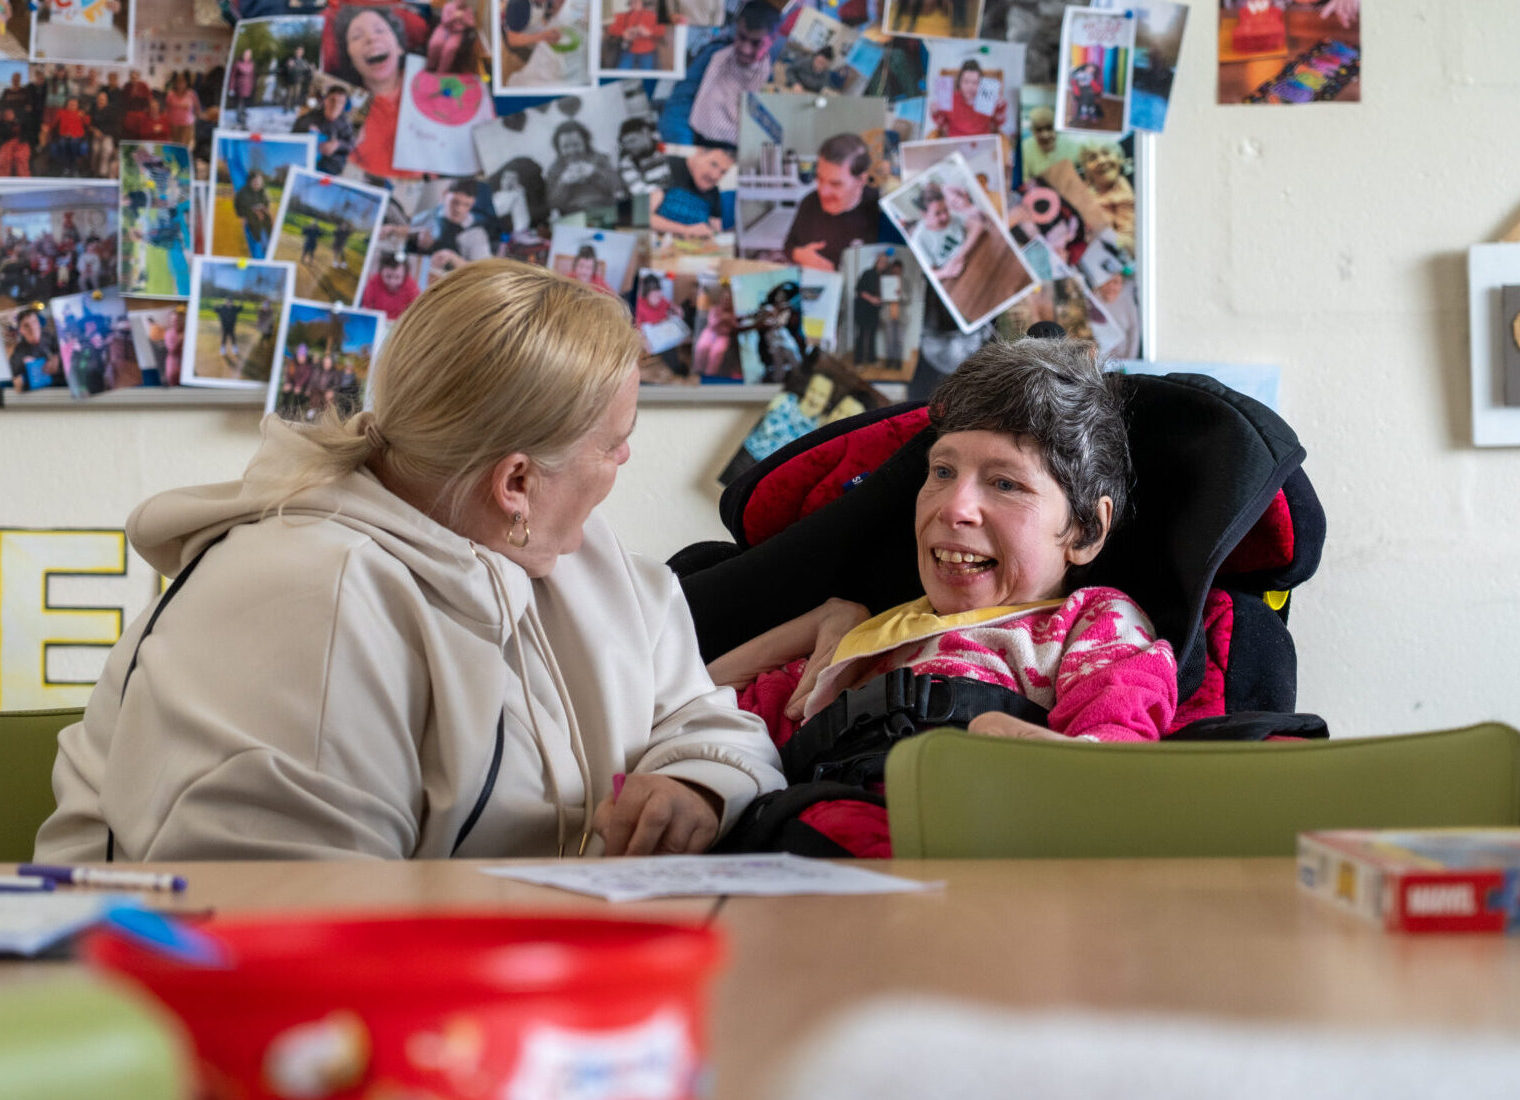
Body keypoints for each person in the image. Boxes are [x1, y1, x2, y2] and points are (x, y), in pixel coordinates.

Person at [35, 260, 786, 862]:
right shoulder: (310, 599)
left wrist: (696, 784)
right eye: (613, 440)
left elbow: (703, 716)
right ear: (516, 481)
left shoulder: (585, 560)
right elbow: (283, 921)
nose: (626, 457)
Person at [709, 337, 1176, 767]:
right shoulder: (875, 637)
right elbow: (689, 710)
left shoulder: (1089, 624)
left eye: (1005, 483)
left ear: (1085, 531)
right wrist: (819, 623)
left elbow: (1117, 735)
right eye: (943, 472)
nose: (954, 508)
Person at [659, 0, 779, 146]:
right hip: (698, 144)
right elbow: (680, 104)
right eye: (741, 37)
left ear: (772, 40)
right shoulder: (715, 55)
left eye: (756, 43)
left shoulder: (776, 76)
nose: (745, 49)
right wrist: (684, 151)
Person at [335, 5, 415, 179]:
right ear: (350, 59)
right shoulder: (341, 109)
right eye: (357, 36)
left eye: (380, 30)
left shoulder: (431, 88)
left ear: (399, 46)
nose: (371, 38)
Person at [782, 132, 880, 272]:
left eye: (835, 184)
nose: (823, 191)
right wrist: (799, 255)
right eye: (820, 179)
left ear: (861, 181)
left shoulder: (879, 211)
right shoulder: (809, 203)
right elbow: (789, 244)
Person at [648, 143, 732, 239]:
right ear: (699, 152)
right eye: (713, 164)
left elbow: (717, 232)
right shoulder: (668, 165)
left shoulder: (714, 192)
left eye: (723, 172)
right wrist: (686, 230)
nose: (715, 176)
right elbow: (645, 218)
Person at [544, 119, 624, 218]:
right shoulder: (554, 169)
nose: (572, 151)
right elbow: (553, 204)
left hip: (605, 209)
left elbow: (617, 188)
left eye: (576, 145)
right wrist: (563, 183)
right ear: (558, 148)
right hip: (574, 216)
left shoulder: (600, 159)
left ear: (585, 143)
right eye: (565, 147)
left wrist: (595, 173)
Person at [911, 181, 984, 283]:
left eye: (945, 210)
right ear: (924, 214)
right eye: (937, 214)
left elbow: (978, 226)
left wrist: (959, 256)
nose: (945, 216)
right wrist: (945, 272)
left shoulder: (951, 214)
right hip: (953, 279)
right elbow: (930, 273)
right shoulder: (918, 239)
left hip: (972, 257)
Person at [1077, 141, 1134, 254]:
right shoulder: (1082, 187)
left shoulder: (1124, 195)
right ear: (1086, 169)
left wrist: (1107, 239)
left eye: (1106, 153)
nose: (1101, 161)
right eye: (1092, 158)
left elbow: (1129, 243)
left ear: (1119, 159)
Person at [931, 59, 1007, 138]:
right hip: (956, 142)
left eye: (975, 82)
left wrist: (1000, 108)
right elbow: (942, 124)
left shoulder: (989, 99)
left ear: (981, 84)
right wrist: (935, 113)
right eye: (966, 82)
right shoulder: (950, 99)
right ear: (959, 83)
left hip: (982, 142)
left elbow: (998, 124)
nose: (970, 87)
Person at [293, 85, 356, 175]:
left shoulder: (345, 124)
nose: (336, 105)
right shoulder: (309, 118)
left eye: (341, 102)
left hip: (330, 170)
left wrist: (338, 144)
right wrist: (307, 132)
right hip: (305, 164)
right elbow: (293, 136)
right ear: (325, 101)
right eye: (332, 100)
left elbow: (352, 145)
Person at [1019, 105, 1080, 183]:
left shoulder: (1071, 147)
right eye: (1039, 129)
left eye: (1049, 128)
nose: (1045, 135)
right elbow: (1024, 180)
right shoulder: (1024, 148)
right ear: (1032, 131)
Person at [361, 250, 421, 319]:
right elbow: (366, 308)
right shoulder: (374, 282)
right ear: (381, 273)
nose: (392, 282)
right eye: (388, 276)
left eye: (397, 277)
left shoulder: (412, 287)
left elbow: (416, 311)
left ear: (405, 275)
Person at [853, 250, 888, 364]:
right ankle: (858, 361)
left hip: (875, 310)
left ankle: (872, 360)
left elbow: (885, 293)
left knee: (873, 335)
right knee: (862, 335)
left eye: (885, 262)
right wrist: (872, 299)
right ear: (877, 261)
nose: (883, 264)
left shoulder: (884, 277)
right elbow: (859, 290)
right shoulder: (867, 273)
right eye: (882, 261)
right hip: (863, 309)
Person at [609, 0, 663, 71]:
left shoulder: (652, 16)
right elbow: (611, 29)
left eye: (637, 2)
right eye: (632, 2)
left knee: (648, 76)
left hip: (646, 51)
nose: (634, 4)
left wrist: (649, 32)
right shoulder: (621, 16)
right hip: (628, 50)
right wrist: (623, 32)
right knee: (621, 72)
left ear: (642, 3)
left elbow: (661, 31)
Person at [428, 0, 479, 73]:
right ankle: (431, 67)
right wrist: (454, 16)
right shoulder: (448, 6)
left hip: (457, 33)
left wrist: (463, 17)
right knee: (435, 43)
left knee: (450, 48)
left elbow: (472, 24)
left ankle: (441, 71)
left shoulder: (468, 10)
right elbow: (444, 21)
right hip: (444, 29)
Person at [234, 168, 274, 258]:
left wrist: (262, 208)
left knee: (266, 230)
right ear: (250, 182)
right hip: (250, 218)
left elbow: (266, 203)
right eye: (255, 182)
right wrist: (247, 212)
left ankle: (266, 248)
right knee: (255, 234)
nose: (257, 184)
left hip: (262, 218)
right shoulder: (243, 193)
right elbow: (239, 206)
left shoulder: (263, 192)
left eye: (259, 182)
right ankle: (258, 247)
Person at [164, 74, 200, 148]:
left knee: (184, 147)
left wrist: (195, 119)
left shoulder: (191, 94)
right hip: (173, 124)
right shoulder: (170, 94)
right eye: (178, 82)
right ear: (175, 83)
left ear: (186, 83)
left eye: (182, 82)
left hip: (187, 125)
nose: (180, 84)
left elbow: (197, 108)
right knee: (174, 146)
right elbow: (166, 108)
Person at [228, 48, 257, 128]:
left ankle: (243, 118)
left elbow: (252, 76)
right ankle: (240, 120)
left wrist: (253, 86)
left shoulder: (251, 64)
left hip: (248, 87)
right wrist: (231, 88)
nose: (246, 56)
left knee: (245, 104)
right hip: (239, 87)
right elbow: (232, 76)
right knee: (239, 103)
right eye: (245, 54)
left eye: (248, 55)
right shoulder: (237, 64)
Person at [282, 45, 314, 111]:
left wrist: (311, 67)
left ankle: (293, 107)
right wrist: (288, 66)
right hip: (290, 80)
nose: (299, 52)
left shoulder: (304, 61)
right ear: (295, 51)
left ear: (302, 53)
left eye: (301, 51)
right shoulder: (291, 59)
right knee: (289, 95)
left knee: (296, 95)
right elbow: (286, 69)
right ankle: (286, 108)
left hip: (299, 80)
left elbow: (307, 69)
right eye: (298, 51)